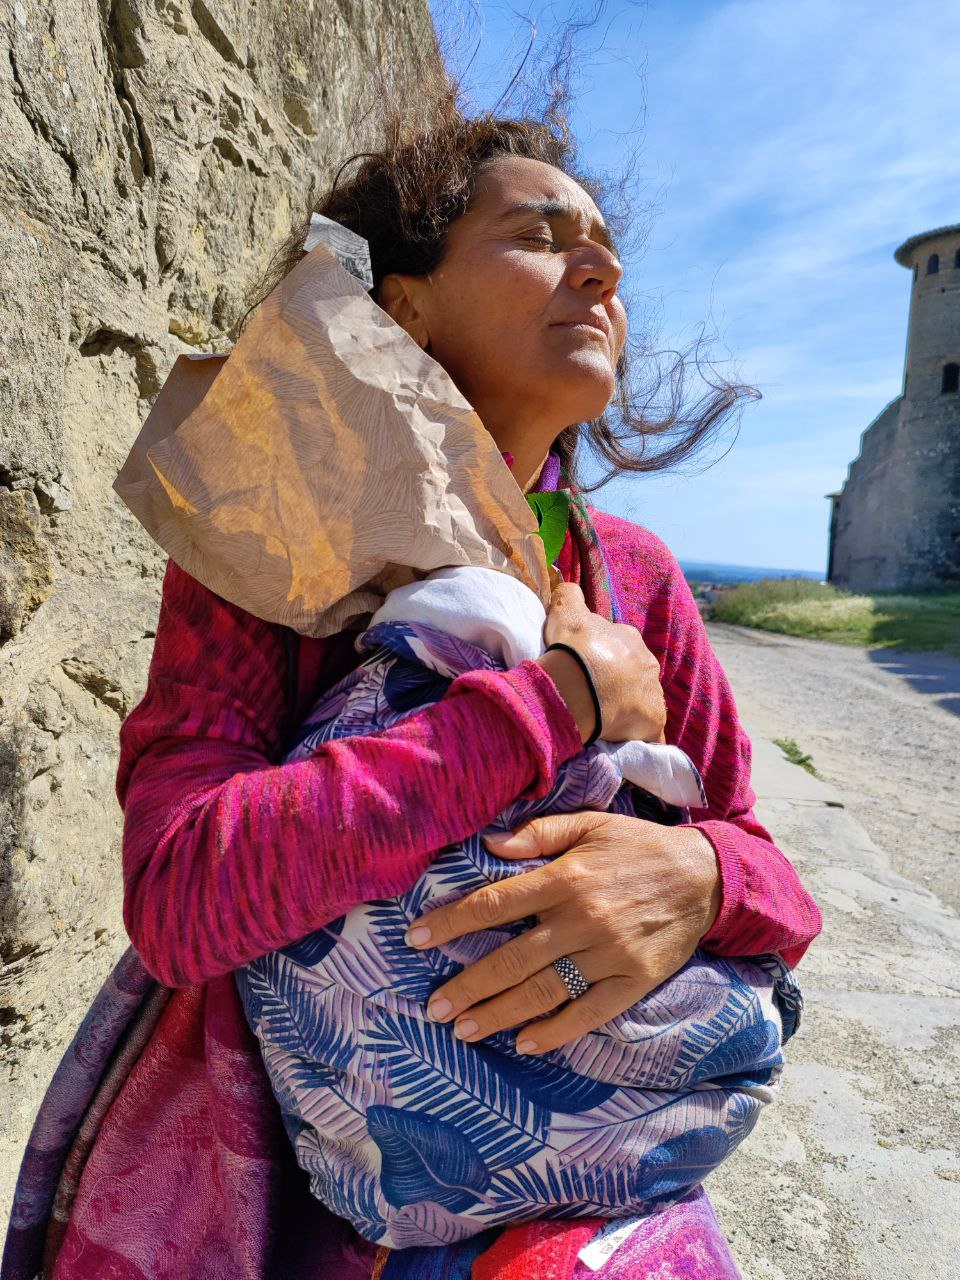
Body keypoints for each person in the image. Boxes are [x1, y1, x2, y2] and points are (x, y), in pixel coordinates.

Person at [2, 80, 822, 1280]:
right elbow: (182, 895)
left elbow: (774, 879)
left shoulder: (637, 578)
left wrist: (698, 870)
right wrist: (556, 705)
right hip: (304, 1208)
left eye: (604, 250)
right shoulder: (275, 543)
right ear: (406, 305)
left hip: (583, 1183)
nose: (597, 270)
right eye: (539, 236)